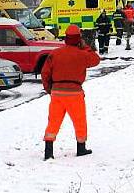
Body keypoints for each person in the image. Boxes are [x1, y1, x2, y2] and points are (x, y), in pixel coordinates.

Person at [41, 25, 101, 160]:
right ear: (79, 39)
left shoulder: (54, 54)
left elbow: (45, 73)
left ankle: (48, 152)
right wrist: (85, 46)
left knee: (53, 121)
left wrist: (49, 89)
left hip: (57, 93)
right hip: (75, 93)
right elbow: (96, 59)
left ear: (66, 38)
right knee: (79, 120)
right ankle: (81, 148)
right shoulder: (83, 54)